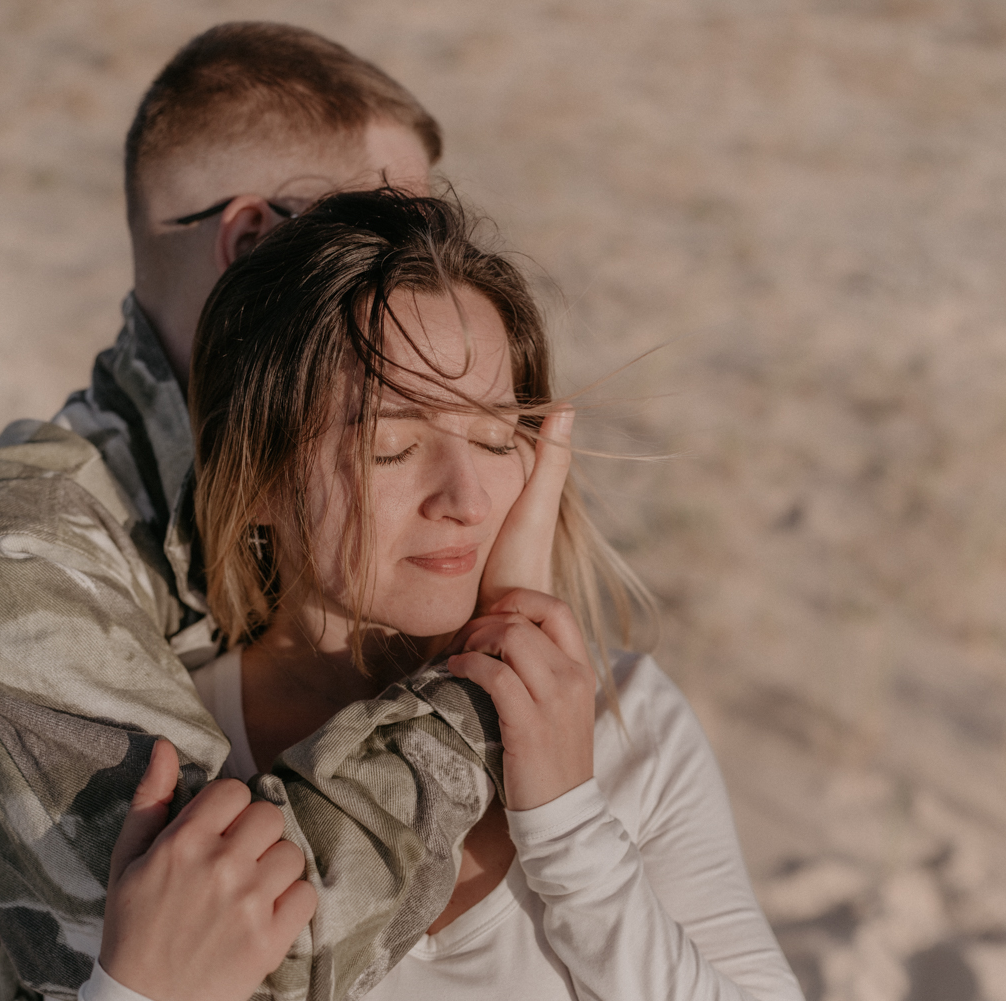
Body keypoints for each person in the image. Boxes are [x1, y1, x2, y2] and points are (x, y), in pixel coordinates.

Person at [0, 22, 491, 1001]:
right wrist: (503, 672)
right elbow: (259, 964)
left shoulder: (397, 474)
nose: (432, 273)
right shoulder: (5, 559)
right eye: (388, 234)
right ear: (252, 239)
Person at [86, 187, 805, 1001]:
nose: (465, 496)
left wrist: (571, 828)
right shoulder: (179, 763)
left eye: (496, 436)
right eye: (391, 446)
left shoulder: (619, 715)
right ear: (254, 478)